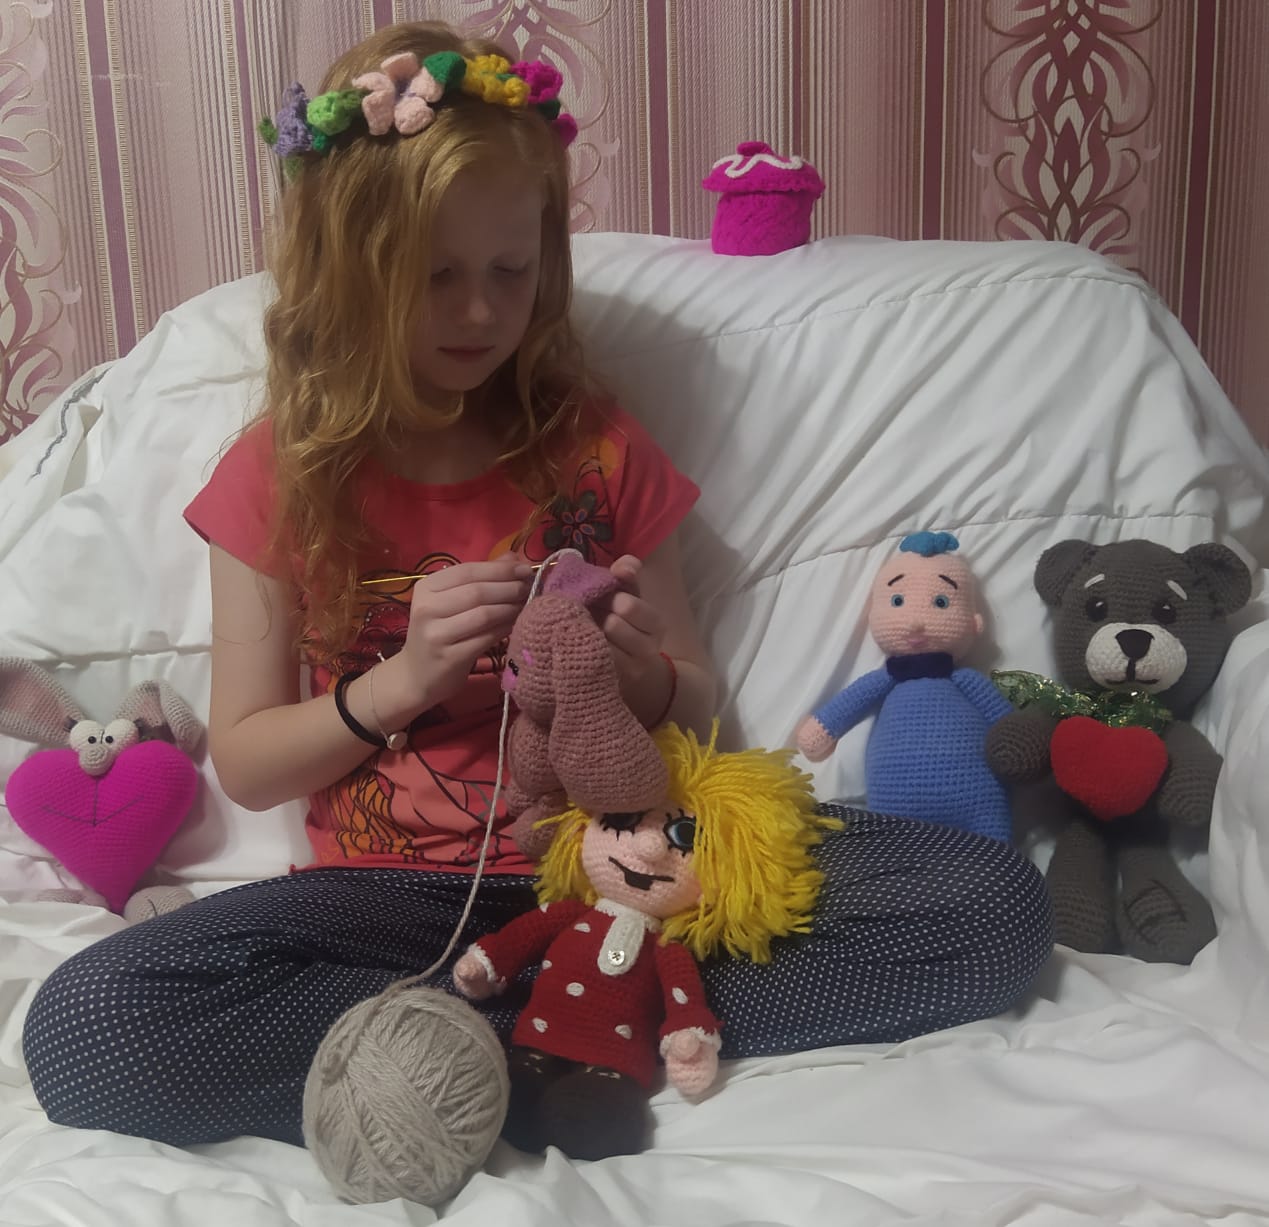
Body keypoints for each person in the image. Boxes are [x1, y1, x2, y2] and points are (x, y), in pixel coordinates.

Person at [20, 21, 1053, 1151]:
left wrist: (641, 677)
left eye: (509, 273)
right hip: (391, 902)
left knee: (993, 904)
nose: (478, 312)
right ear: (348, 274)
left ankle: (528, 1026)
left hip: (637, 867)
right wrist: (402, 681)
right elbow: (253, 763)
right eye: (435, 278)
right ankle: (567, 1029)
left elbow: (701, 702)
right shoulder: (282, 474)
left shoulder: (594, 448)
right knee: (86, 1028)